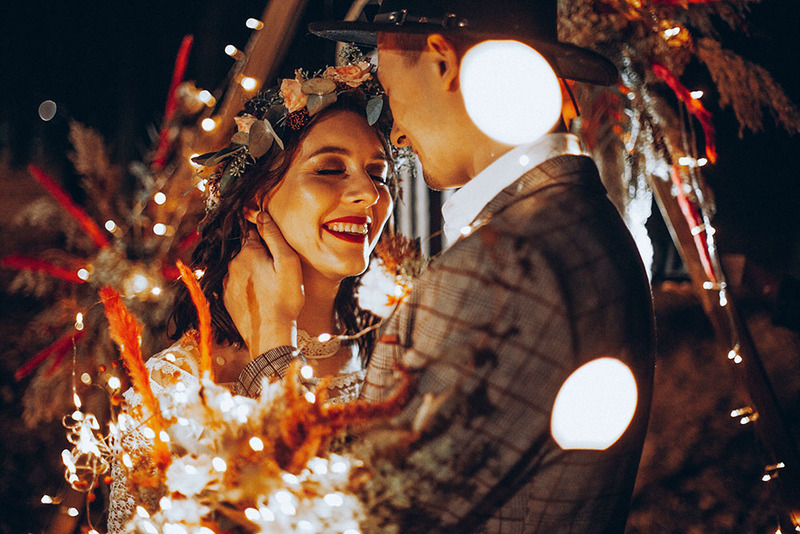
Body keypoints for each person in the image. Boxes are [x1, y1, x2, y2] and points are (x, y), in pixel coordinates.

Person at [306, 1, 654, 532]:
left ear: (443, 61)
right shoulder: (581, 219)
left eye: (392, 92)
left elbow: (366, 519)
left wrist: (273, 349)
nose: (396, 133)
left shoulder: (500, 270)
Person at [107, 61, 396, 533]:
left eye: (378, 173)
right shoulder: (177, 384)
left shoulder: (388, 352)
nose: (367, 192)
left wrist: (277, 340)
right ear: (255, 199)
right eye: (329, 168)